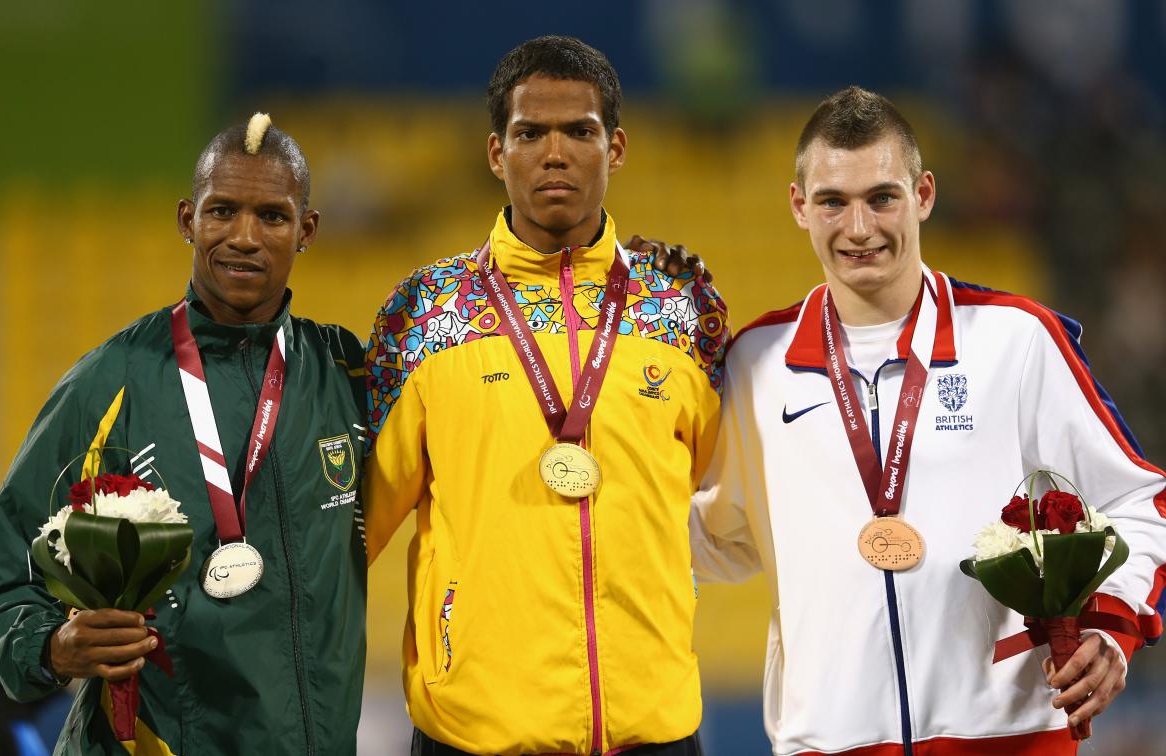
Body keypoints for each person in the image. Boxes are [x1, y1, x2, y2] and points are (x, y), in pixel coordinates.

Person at [689, 86, 1166, 754]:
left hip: (1009, 741)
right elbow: (716, 540)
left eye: (882, 197)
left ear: (925, 195)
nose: (859, 228)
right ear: (800, 206)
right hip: (829, 745)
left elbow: (1140, 499)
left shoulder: (1015, 339)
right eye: (833, 201)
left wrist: (1110, 624)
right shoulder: (756, 364)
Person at [362, 36, 728, 755]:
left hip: (653, 730)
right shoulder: (424, 315)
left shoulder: (683, 307)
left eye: (579, 132)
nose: (554, 153)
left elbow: (730, 496)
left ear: (615, 148)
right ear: (497, 153)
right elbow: (353, 530)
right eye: (530, 133)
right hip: (475, 735)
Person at [0, 114, 371, 754]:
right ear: (188, 220)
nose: (244, 236)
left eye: (272, 216)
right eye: (222, 211)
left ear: (307, 230)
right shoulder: (111, 383)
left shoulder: (344, 374)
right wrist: (51, 647)